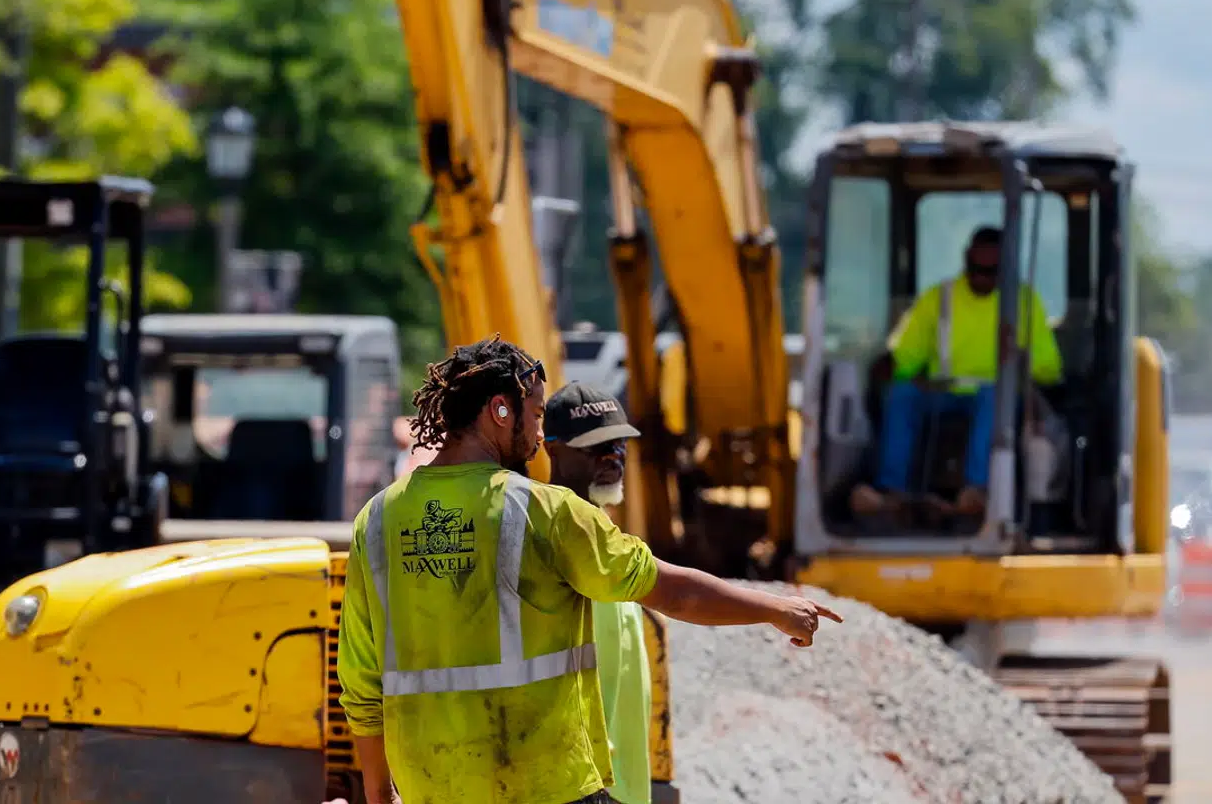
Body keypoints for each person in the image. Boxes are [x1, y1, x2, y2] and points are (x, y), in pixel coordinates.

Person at [337, 336, 842, 804]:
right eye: (534, 416)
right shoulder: (545, 511)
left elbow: (361, 681)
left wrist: (379, 795)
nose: (538, 436)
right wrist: (777, 609)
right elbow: (673, 593)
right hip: (545, 784)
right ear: (499, 410)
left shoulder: (377, 520)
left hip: (433, 789)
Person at [850, 225, 1062, 523]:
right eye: (976, 269)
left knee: (995, 397)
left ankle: (975, 491)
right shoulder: (940, 298)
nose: (981, 277)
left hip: (992, 396)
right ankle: (891, 491)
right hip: (943, 393)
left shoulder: (1025, 304)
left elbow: (1049, 367)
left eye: (991, 271)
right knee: (902, 395)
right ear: (966, 260)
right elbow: (907, 357)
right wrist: (892, 367)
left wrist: (1023, 362)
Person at [543, 382, 651, 804]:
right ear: (551, 449)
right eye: (596, 447)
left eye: (619, 444)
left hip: (620, 788)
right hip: (578, 788)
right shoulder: (545, 537)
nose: (614, 459)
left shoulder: (608, 539)